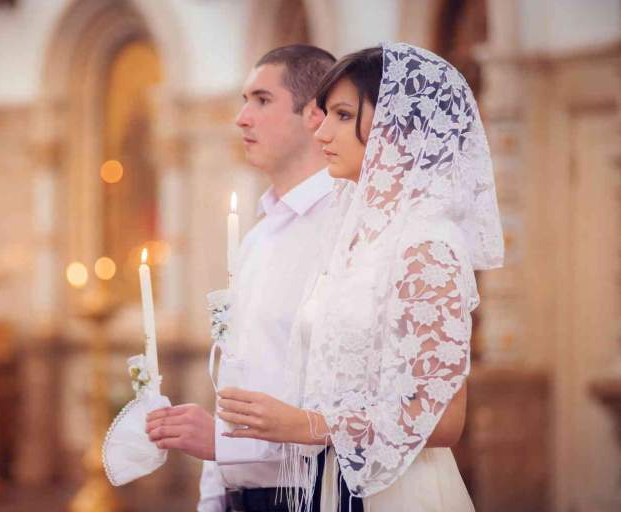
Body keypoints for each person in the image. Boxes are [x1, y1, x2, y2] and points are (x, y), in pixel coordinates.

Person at [217, 42, 504, 512]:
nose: (322, 130)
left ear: (395, 126)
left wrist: (308, 425)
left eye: (344, 115)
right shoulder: (353, 235)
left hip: (399, 491)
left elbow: (445, 420)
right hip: (333, 483)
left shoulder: (426, 244)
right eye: (327, 114)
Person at [145, 44, 337, 512]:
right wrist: (213, 498)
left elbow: (342, 402)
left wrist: (224, 443)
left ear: (314, 114)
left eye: (262, 100)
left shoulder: (344, 228)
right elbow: (234, 378)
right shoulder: (256, 239)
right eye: (244, 100)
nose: (241, 118)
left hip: (314, 495)